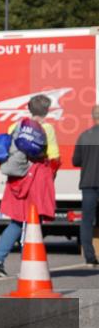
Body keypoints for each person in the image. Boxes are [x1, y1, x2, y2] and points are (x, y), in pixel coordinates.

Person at [0, 94, 61, 277]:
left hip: (17, 179)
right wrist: (51, 178)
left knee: (17, 221)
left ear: (29, 108)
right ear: (47, 110)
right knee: (34, 222)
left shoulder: (15, 126)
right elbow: (54, 157)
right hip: (36, 178)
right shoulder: (47, 128)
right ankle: (29, 265)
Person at [72, 105, 99, 267]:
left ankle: (90, 257)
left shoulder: (84, 136)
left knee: (87, 221)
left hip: (88, 183)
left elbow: (76, 161)